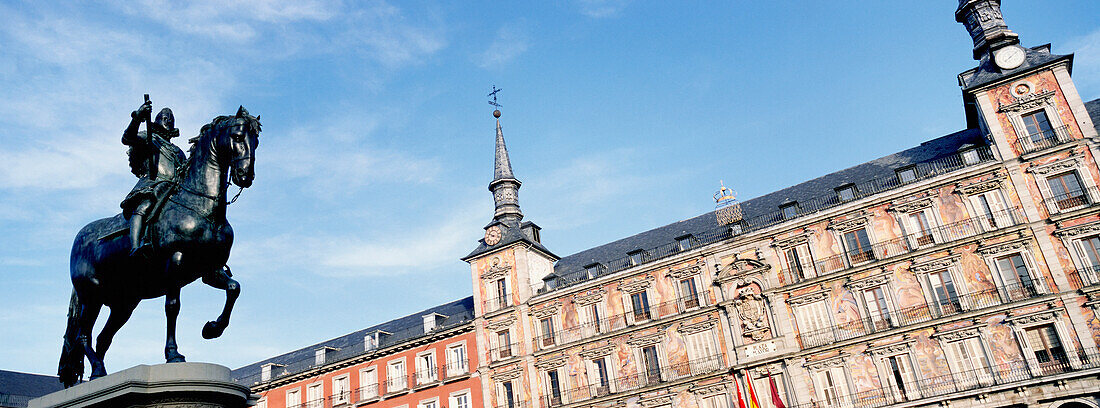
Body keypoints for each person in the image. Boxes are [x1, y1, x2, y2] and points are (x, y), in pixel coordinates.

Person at [121, 100, 186, 258]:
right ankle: (135, 246)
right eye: (165, 118)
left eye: (171, 119)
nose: (168, 121)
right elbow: (127, 138)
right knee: (145, 206)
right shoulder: (149, 137)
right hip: (152, 185)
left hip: (174, 190)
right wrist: (138, 118)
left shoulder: (178, 152)